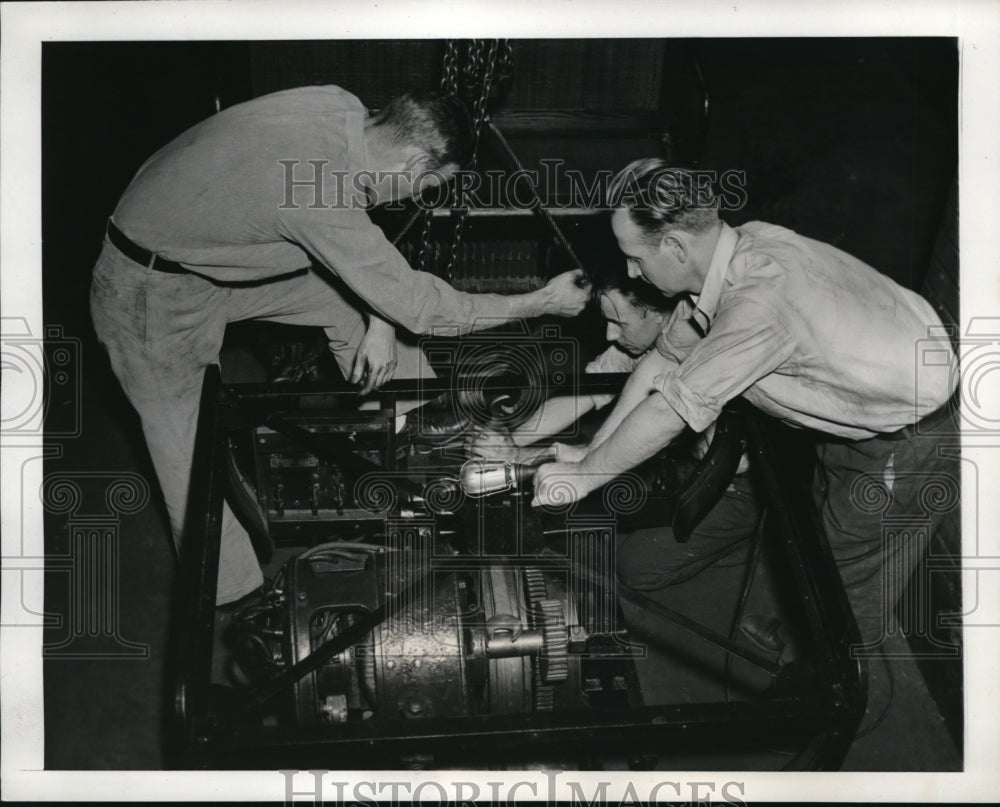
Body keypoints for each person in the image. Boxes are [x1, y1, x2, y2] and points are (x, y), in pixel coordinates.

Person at [90, 85, 589, 605]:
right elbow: (418, 305)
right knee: (190, 459)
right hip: (145, 290)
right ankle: (240, 603)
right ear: (417, 162)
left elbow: (359, 243)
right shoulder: (315, 189)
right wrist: (540, 302)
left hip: (211, 248)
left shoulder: (342, 107)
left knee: (358, 308)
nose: (418, 200)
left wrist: (378, 317)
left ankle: (417, 440)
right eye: (428, 187)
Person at [531, 159, 959, 745]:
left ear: (676, 246)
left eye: (635, 257)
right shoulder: (741, 248)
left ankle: (839, 717)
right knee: (822, 537)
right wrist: (588, 457)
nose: (631, 271)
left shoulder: (757, 305)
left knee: (846, 586)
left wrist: (582, 482)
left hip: (903, 441)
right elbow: (663, 360)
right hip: (859, 414)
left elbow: (672, 408)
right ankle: (790, 640)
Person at [469, 260, 760, 590]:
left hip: (740, 480)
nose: (610, 334)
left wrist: (538, 456)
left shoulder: (700, 350)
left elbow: (632, 445)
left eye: (618, 323)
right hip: (683, 458)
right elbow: (583, 396)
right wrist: (508, 442)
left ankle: (747, 547)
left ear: (659, 315)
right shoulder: (641, 343)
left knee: (636, 568)